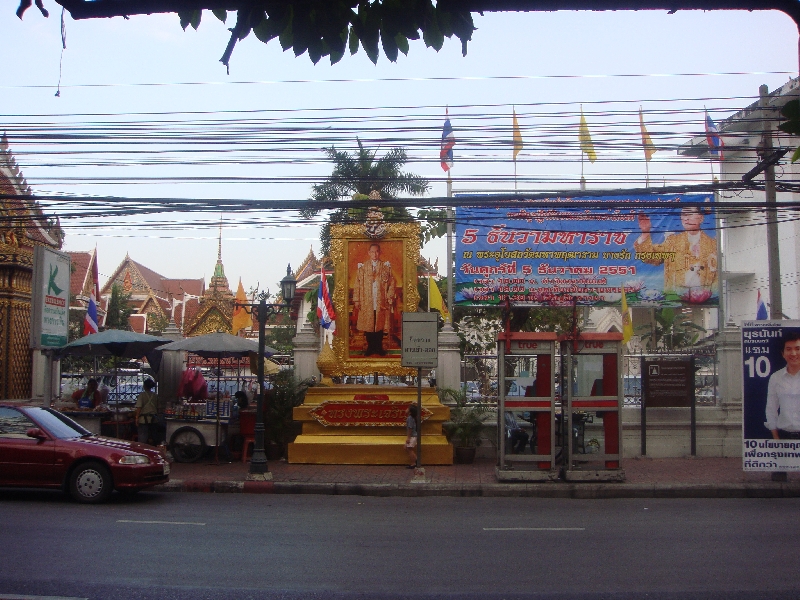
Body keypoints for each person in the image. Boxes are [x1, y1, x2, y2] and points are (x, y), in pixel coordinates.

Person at [634, 205, 717, 292]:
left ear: (701, 218)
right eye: (684, 215)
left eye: (690, 214)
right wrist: (645, 232)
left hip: (705, 300)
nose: (686, 218)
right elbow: (649, 257)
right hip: (676, 300)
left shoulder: (713, 245)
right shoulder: (672, 242)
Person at [353, 243, 396, 356]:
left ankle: (378, 347)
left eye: (377, 251)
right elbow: (357, 284)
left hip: (381, 301)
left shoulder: (385, 267)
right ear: (369, 253)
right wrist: (357, 300)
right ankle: (370, 347)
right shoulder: (362, 268)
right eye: (372, 252)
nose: (375, 254)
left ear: (379, 252)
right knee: (369, 324)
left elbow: (392, 283)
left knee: (379, 324)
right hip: (366, 300)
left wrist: (389, 295)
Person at [765, 334, 800, 440]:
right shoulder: (775, 378)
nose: (793, 353)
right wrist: (776, 437)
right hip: (784, 437)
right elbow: (771, 409)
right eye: (788, 349)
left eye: (798, 349)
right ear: (783, 353)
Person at [135, 379, 159, 445]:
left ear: (144, 386)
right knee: (154, 438)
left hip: (143, 420)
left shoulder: (142, 395)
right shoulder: (155, 395)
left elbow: (139, 407)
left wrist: (136, 418)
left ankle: (142, 452)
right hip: (154, 419)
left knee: (143, 438)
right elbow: (158, 407)